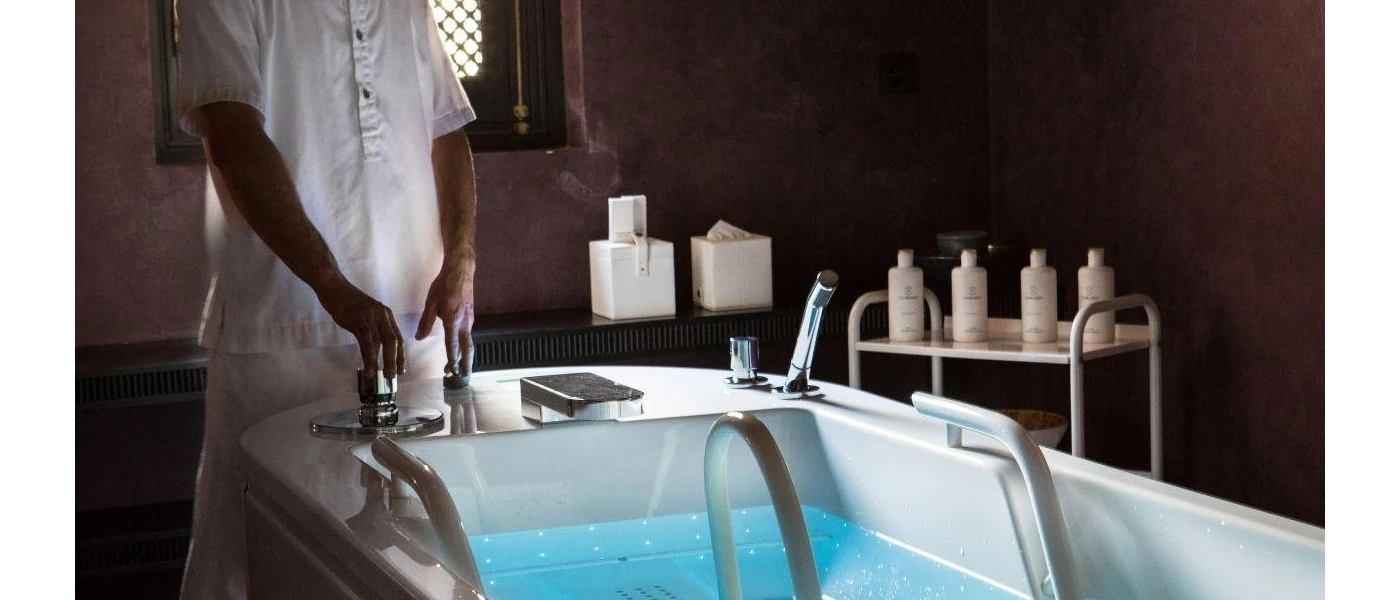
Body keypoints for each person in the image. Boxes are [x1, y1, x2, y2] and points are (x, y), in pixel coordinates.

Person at [174, 0, 480, 597]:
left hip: (413, 332)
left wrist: (461, 259)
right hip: (281, 334)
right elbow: (232, 134)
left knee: (421, 560)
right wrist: (330, 284)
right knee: (257, 557)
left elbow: (447, 130)